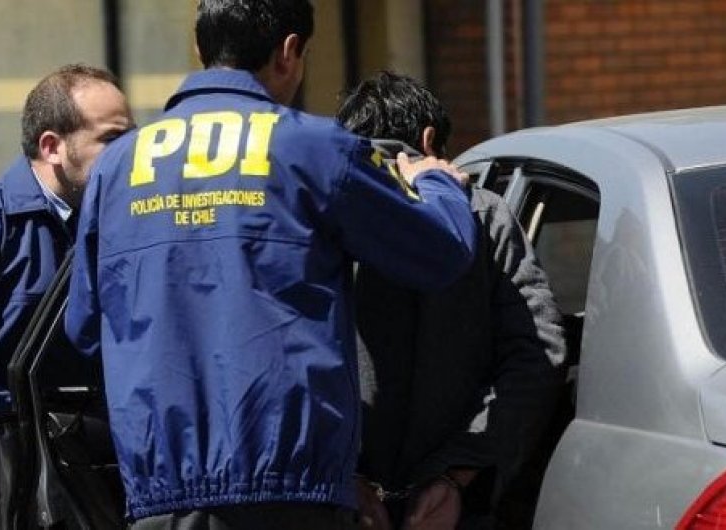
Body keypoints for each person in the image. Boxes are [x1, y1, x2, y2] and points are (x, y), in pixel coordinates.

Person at [63, 1, 478, 529]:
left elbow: (85, 328)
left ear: (200, 46)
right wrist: (436, 181)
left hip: (162, 490)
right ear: (288, 51)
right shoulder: (315, 147)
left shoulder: (117, 167)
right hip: (288, 485)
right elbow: (441, 253)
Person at [336, 71, 567, 530]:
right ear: (429, 141)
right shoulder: (484, 214)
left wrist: (344, 478)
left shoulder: (320, 213)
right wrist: (458, 472)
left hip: (344, 504)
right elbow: (539, 354)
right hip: (455, 507)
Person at [0, 63, 133, 528]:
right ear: (52, 147)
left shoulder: (128, 225)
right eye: (112, 139)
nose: (130, 153)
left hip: (100, 476)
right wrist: (14, 421)